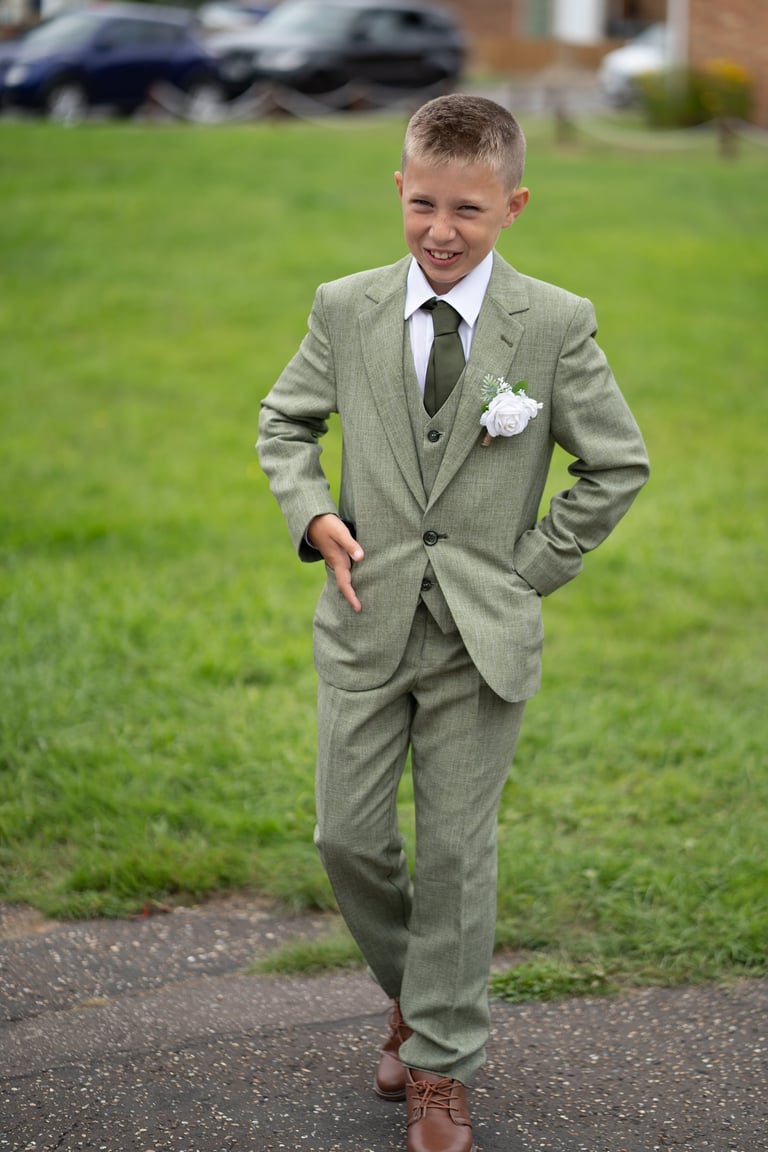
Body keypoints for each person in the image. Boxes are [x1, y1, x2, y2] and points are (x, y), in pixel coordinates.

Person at [257, 94, 649, 1152]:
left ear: (512, 206)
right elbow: (285, 422)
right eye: (423, 203)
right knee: (347, 836)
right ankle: (420, 993)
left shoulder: (554, 324)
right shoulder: (345, 308)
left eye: (468, 210)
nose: (441, 230)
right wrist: (315, 514)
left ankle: (440, 1064)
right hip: (365, 618)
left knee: (458, 857)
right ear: (399, 189)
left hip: (483, 636)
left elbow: (617, 465)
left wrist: (530, 570)